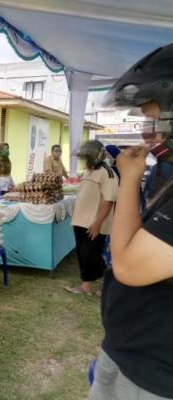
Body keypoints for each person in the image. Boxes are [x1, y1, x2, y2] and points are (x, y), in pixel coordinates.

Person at [90, 42, 173, 400]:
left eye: (155, 119)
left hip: (153, 377)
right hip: (131, 356)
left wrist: (128, 179)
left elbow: (125, 264)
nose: (149, 132)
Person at [66, 140, 118, 295]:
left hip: (94, 222)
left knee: (91, 255)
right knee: (84, 254)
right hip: (80, 220)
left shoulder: (107, 173)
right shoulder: (89, 171)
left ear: (97, 156)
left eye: (87, 157)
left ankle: (97, 285)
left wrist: (97, 223)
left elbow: (108, 201)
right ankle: (91, 285)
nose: (85, 161)